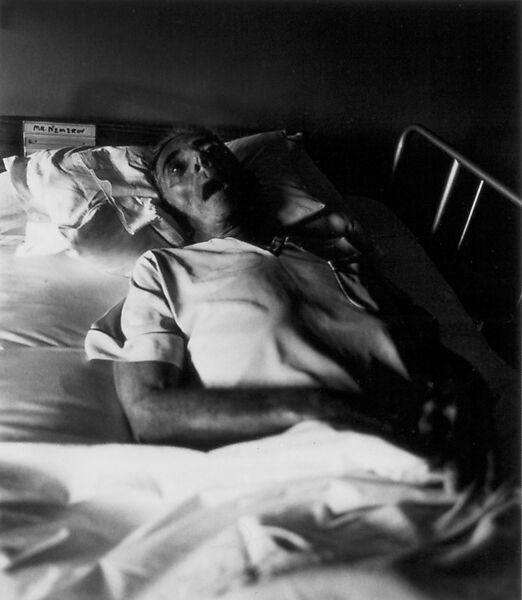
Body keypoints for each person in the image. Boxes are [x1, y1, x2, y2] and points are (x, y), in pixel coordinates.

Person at [85, 127, 494, 488]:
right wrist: (318, 407)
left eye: (213, 151)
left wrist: (469, 421)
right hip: (291, 470)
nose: (202, 163)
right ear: (170, 206)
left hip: (423, 460)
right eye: (177, 167)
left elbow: (441, 357)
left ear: (243, 173)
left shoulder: (339, 252)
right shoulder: (163, 270)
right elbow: (151, 414)